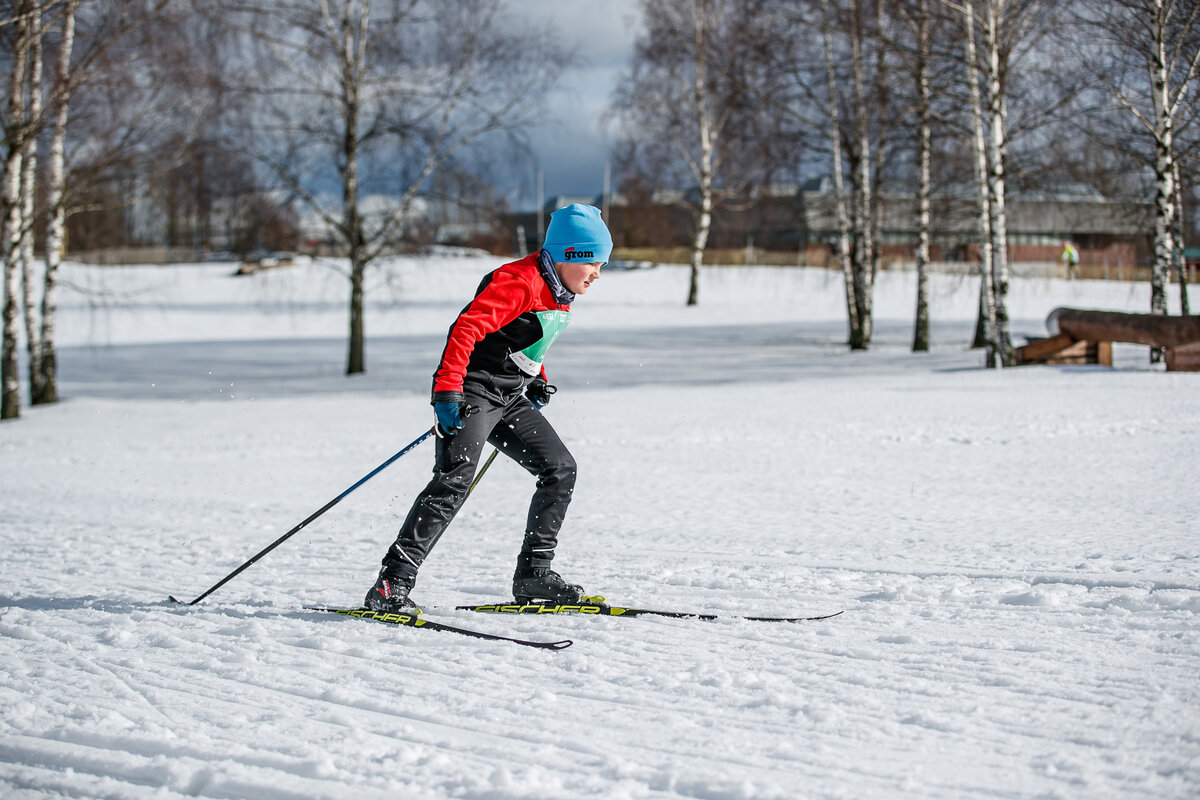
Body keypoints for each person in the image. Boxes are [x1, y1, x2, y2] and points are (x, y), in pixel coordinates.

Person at [364, 203, 613, 613]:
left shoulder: (558, 287)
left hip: (509, 396)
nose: (597, 274)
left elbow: (524, 337)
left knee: (560, 469)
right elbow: (466, 329)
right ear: (572, 254)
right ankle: (391, 585)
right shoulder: (518, 281)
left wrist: (535, 376)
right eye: (595, 264)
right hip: (472, 392)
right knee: (454, 481)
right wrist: (446, 393)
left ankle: (534, 573)